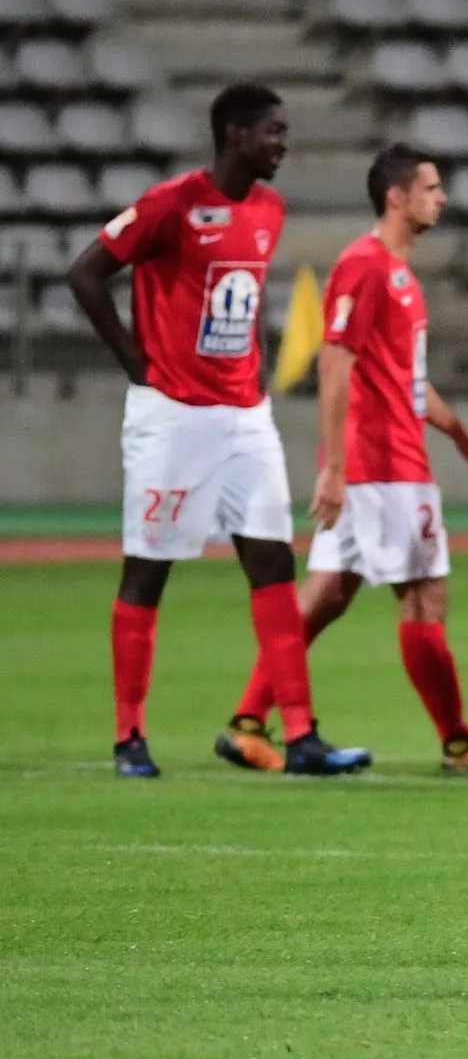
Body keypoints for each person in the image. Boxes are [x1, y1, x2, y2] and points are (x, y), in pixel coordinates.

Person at [67, 81, 369, 778]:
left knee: (271, 561)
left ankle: (300, 736)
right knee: (150, 567)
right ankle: (129, 737)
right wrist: (137, 363)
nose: (283, 145)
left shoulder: (268, 208)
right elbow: (85, 273)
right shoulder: (170, 204)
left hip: (244, 417)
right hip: (172, 416)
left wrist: (253, 372)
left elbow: (239, 300)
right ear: (235, 134)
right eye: (273, 132)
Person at [211, 144, 468, 774]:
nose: (441, 198)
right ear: (398, 196)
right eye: (432, 187)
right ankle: (460, 743)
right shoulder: (364, 266)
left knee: (328, 594)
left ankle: (249, 721)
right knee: (424, 598)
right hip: (382, 466)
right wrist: (334, 468)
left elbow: (405, 380)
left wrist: (459, 436)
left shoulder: (397, 273)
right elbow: (334, 364)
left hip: (388, 458)